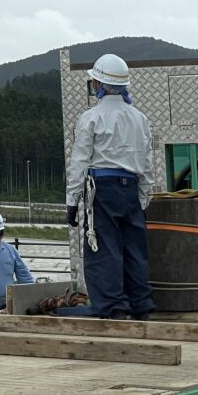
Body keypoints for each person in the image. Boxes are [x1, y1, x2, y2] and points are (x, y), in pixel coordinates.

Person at [64, 53, 155, 321]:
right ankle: (140, 305)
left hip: (101, 190)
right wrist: (143, 197)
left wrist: (72, 201)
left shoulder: (92, 117)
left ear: (99, 85)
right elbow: (146, 161)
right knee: (133, 250)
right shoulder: (140, 118)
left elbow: (79, 162)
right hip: (131, 189)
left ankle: (113, 308)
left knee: (103, 251)